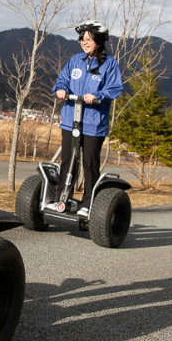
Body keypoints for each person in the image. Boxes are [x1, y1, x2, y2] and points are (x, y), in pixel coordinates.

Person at [53, 20, 124, 217]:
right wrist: (60, 89)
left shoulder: (109, 64)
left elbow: (114, 88)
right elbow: (63, 79)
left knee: (90, 164)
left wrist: (99, 95)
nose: (84, 43)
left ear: (99, 41)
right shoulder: (75, 61)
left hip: (93, 122)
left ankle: (88, 203)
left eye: (88, 39)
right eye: (82, 39)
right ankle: (62, 199)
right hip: (70, 119)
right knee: (67, 160)